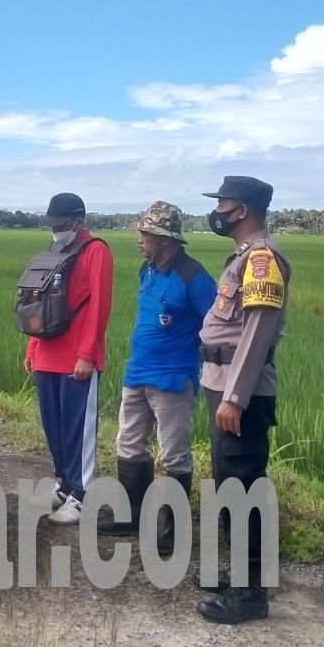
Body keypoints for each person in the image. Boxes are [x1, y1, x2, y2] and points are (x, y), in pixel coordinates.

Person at [191, 175, 291, 625]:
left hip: (240, 388)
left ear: (243, 210)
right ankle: (240, 574)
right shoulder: (241, 259)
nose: (218, 211)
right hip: (221, 381)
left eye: (224, 204)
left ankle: (251, 593)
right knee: (230, 481)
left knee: (245, 483)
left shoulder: (263, 260)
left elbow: (256, 333)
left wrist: (235, 396)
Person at [97, 202, 218, 554]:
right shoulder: (146, 271)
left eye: (145, 234)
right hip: (138, 372)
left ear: (164, 239)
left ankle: (175, 530)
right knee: (129, 443)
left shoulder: (194, 278)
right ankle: (134, 514)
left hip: (172, 379)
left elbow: (214, 326)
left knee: (174, 454)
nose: (140, 240)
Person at [24, 192, 114, 524]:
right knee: (54, 427)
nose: (56, 230)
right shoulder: (56, 251)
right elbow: (40, 305)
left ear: (78, 221)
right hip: (48, 355)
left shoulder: (96, 252)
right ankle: (63, 484)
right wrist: (32, 349)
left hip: (77, 359)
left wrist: (87, 355)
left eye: (61, 224)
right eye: (53, 225)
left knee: (78, 429)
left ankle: (81, 495)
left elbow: (99, 308)